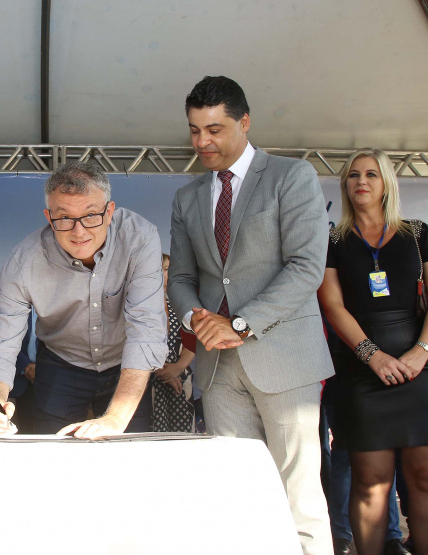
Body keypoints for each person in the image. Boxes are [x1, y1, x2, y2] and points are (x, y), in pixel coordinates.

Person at [168, 75, 333, 555]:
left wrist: (239, 323)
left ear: (244, 122)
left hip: (284, 359)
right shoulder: (187, 197)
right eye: (195, 130)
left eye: (215, 129)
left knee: (298, 497)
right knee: (237, 498)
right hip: (217, 369)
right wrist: (195, 320)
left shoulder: (291, 176)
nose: (203, 142)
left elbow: (307, 268)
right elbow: (180, 279)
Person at [0, 161, 167, 437]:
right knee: (53, 454)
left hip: (126, 363)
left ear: (109, 212)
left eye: (91, 216)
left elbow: (146, 329)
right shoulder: (24, 261)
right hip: (60, 363)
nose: (79, 232)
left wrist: (115, 419)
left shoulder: (139, 238)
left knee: (128, 453)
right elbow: (0, 345)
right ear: (48, 216)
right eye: (64, 218)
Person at [317, 148, 428, 555]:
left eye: (371, 174)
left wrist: (422, 351)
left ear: (386, 185)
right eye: (353, 175)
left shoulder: (418, 233)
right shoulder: (332, 240)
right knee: (371, 482)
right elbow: (333, 306)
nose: (361, 181)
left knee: (423, 477)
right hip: (362, 374)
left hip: (421, 372)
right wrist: (373, 356)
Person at [150, 253, 196, 432]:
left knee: (183, 441)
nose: (164, 275)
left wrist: (176, 368)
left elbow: (192, 340)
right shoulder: (138, 305)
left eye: (167, 270)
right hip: (148, 380)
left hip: (181, 379)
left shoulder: (179, 304)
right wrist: (162, 372)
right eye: (159, 270)